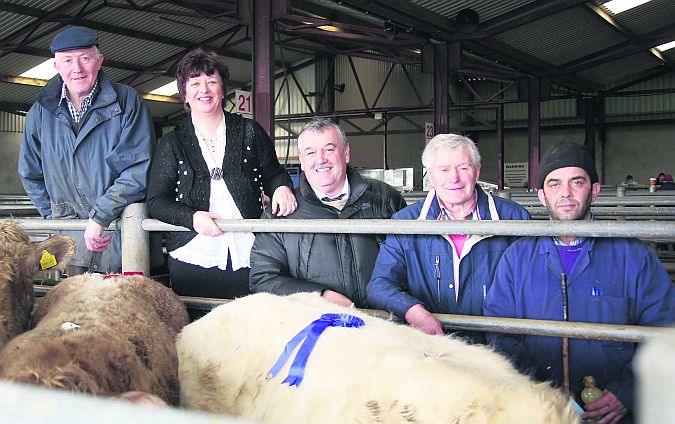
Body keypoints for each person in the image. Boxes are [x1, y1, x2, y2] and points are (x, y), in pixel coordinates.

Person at [484, 140, 674, 424]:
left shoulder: (633, 255)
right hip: (539, 410)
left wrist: (628, 392)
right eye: (554, 184)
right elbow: (499, 332)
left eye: (577, 182)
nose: (566, 194)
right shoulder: (516, 258)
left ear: (594, 190)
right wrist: (537, 389)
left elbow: (665, 330)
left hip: (614, 414)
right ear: (541, 195)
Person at [147, 48, 296, 299]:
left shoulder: (249, 131)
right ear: (184, 93)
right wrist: (191, 217)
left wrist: (282, 187)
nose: (203, 90)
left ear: (222, 88)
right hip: (193, 256)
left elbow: (274, 173)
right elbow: (156, 202)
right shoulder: (172, 143)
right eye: (195, 83)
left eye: (211, 81)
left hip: (250, 254)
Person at [18, 26, 155, 276]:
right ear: (56, 66)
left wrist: (101, 217)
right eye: (67, 60)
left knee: (126, 310)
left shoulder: (126, 102)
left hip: (122, 237)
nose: (77, 68)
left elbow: (137, 168)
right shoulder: (40, 111)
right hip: (74, 242)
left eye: (85, 58)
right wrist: (60, 219)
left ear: (99, 61)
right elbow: (30, 172)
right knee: (78, 309)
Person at [366, 134, 530, 338]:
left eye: (463, 168)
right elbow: (380, 284)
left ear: (477, 172)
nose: (454, 178)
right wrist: (412, 310)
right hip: (433, 345)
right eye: (444, 170)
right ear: (430, 176)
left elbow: (529, 289)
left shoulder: (514, 218)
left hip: (498, 345)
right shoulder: (406, 221)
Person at [249, 118, 406, 308]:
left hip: (383, 323)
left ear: (346, 153)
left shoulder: (385, 199)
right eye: (311, 152)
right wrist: (319, 296)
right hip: (317, 326)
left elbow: (413, 263)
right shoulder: (280, 214)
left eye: (329, 150)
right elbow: (263, 278)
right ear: (302, 161)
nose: (320, 159)